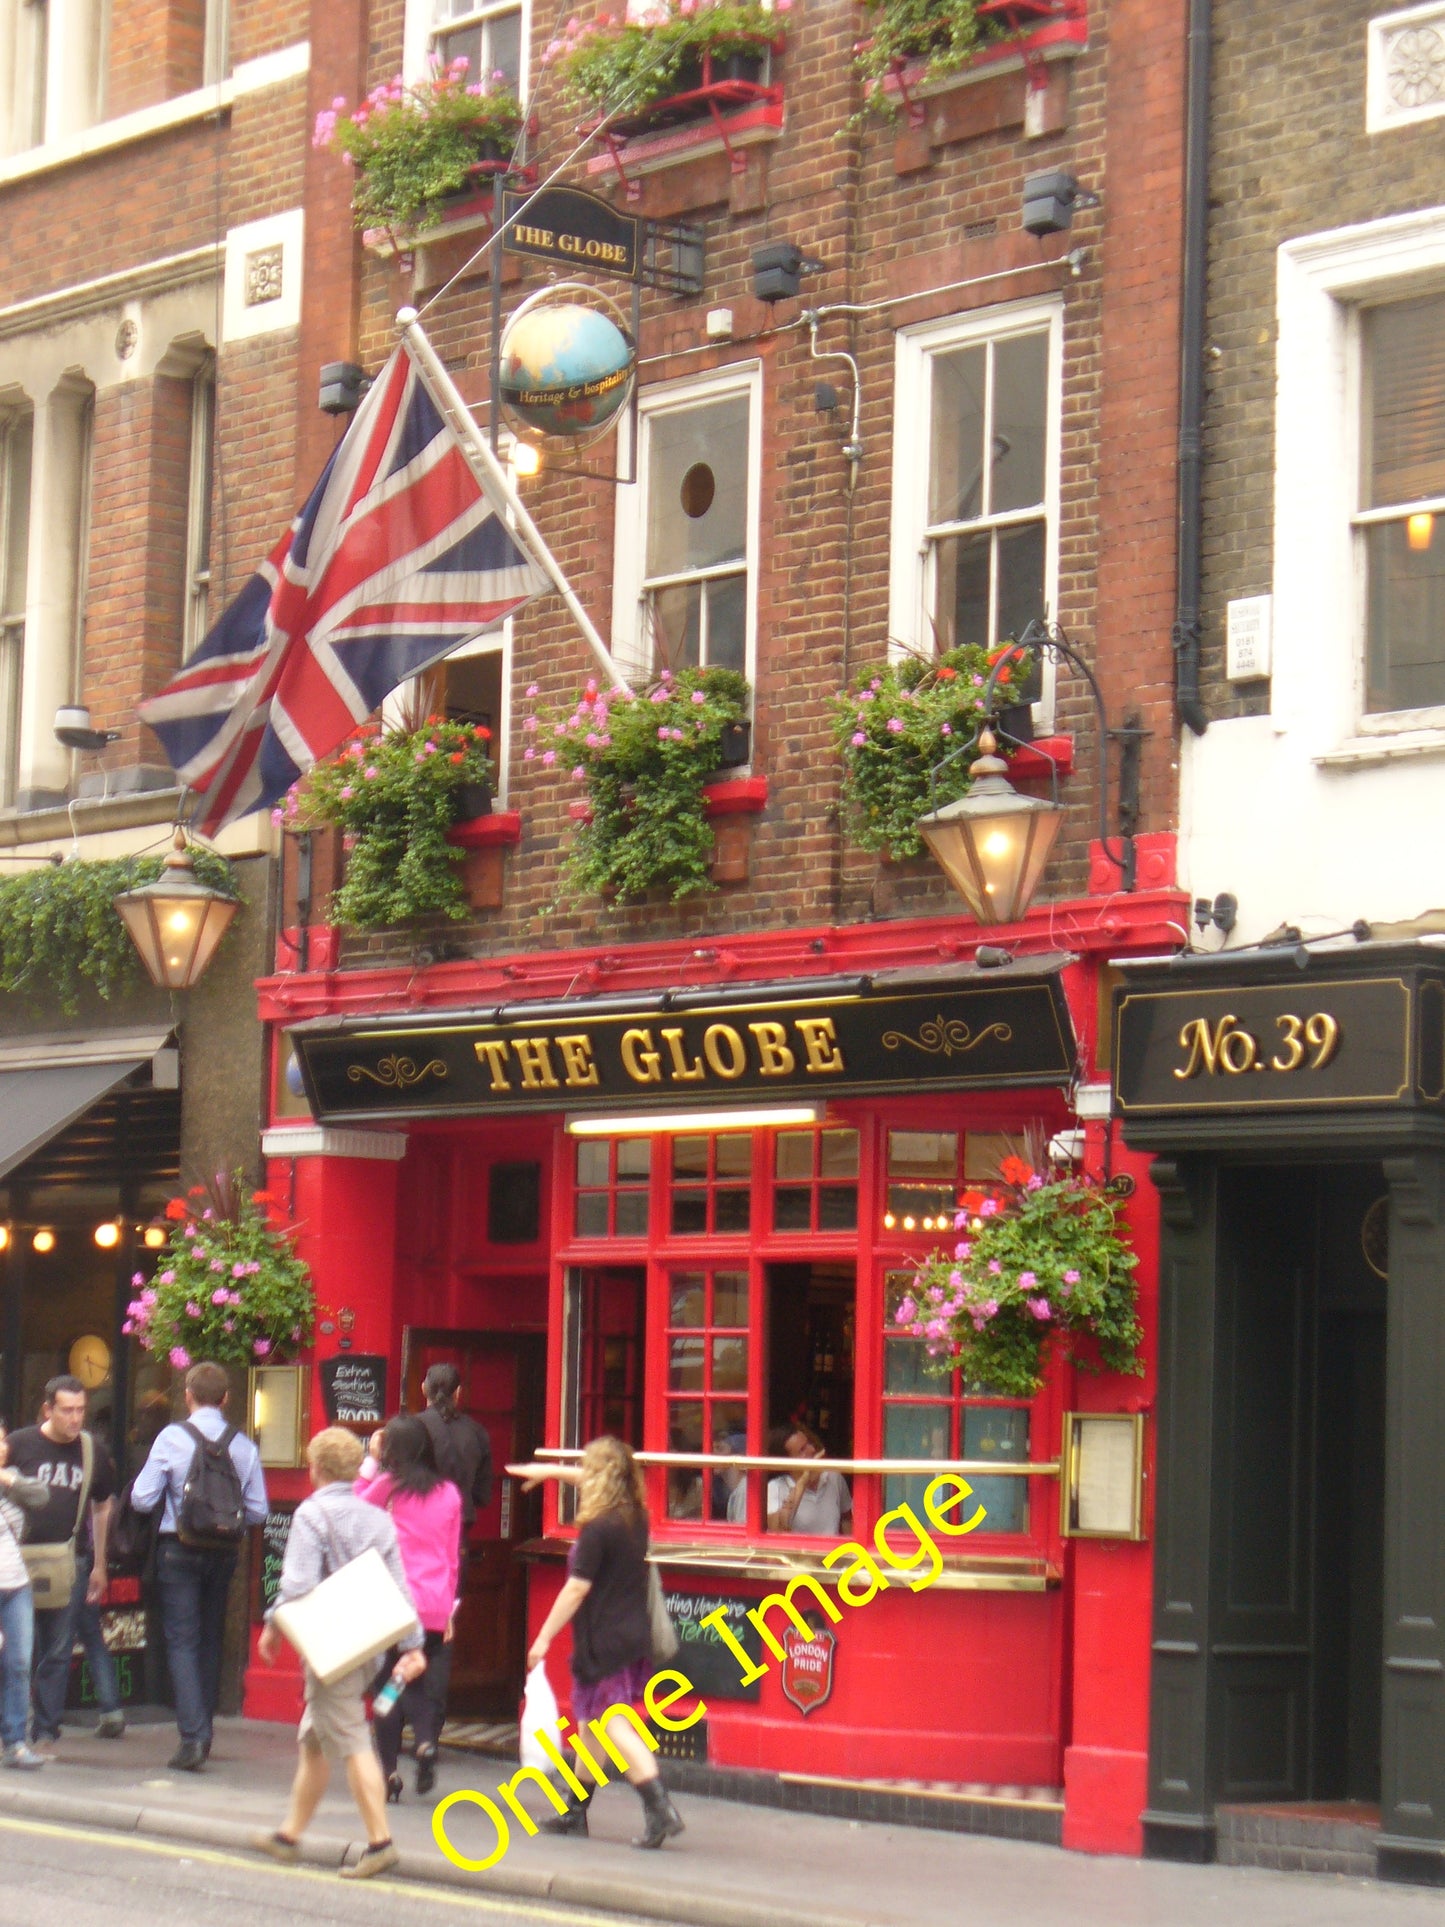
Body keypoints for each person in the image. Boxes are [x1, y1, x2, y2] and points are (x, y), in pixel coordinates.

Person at [252, 1427, 426, 1882]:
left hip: (330, 1644)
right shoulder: (378, 1518)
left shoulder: (312, 1514)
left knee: (350, 1741)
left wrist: (272, 1626)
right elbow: (400, 1588)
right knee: (314, 1743)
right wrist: (412, 1647)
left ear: (317, 1469)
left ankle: (380, 1843)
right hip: (366, 1642)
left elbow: (296, 1586)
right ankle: (289, 1836)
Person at [507, 1437, 684, 1851]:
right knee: (591, 1728)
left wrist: (543, 1639)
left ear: (599, 1478)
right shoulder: (634, 1515)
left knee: (611, 1723)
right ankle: (575, 1811)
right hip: (629, 1636)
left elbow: (574, 1590)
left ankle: (660, 1806)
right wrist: (551, 1472)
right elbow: (597, 1475)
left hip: (603, 1641)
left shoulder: (597, 1529)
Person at [131, 1360, 268, 1770]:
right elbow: (259, 1512)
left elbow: (141, 1498)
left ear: (187, 1396)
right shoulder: (243, 1445)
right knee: (210, 1641)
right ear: (226, 1399)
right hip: (223, 1553)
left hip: (179, 1548)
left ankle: (192, 1738)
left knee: (182, 1642)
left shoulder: (171, 1438)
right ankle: (203, 1730)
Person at [7, 1375, 117, 1754]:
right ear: (47, 1409)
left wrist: (100, 1563)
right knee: (18, 1650)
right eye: (67, 1410)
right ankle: (13, 1729)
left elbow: (103, 1505)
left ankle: (46, 1731)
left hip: (69, 1559)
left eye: (81, 1410)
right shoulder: (19, 1445)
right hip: (16, 1562)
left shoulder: (91, 1450)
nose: (75, 1418)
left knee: (57, 1648)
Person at [356, 1414, 460, 1800]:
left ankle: (388, 1774)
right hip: (433, 1605)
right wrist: (448, 1609)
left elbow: (354, 1507)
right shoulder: (449, 1492)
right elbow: (451, 1559)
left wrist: (370, 1460)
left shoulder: (390, 1485)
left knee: (387, 1687)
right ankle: (426, 1741)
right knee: (410, 1678)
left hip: (394, 1602)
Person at [0, 1419, 48, 1769]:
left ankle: (15, 1741)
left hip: (16, 1585)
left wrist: (7, 1478)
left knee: (18, 1663)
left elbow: (41, 1496)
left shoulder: (13, 1480)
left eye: (2, 1441)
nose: (1, 1448)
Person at [418, 1363, 492, 1559]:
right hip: (458, 1526)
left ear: (424, 1388)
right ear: (458, 1392)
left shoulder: (410, 1428)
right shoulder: (477, 1432)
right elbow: (482, 1495)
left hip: (417, 1524)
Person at [766, 1423, 853, 1536]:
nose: (812, 1450)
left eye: (809, 1444)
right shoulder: (775, 1488)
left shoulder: (834, 1477)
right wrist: (802, 1483)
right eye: (802, 1450)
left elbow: (846, 1518)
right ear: (787, 1463)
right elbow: (777, 1530)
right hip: (801, 1552)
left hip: (834, 1552)